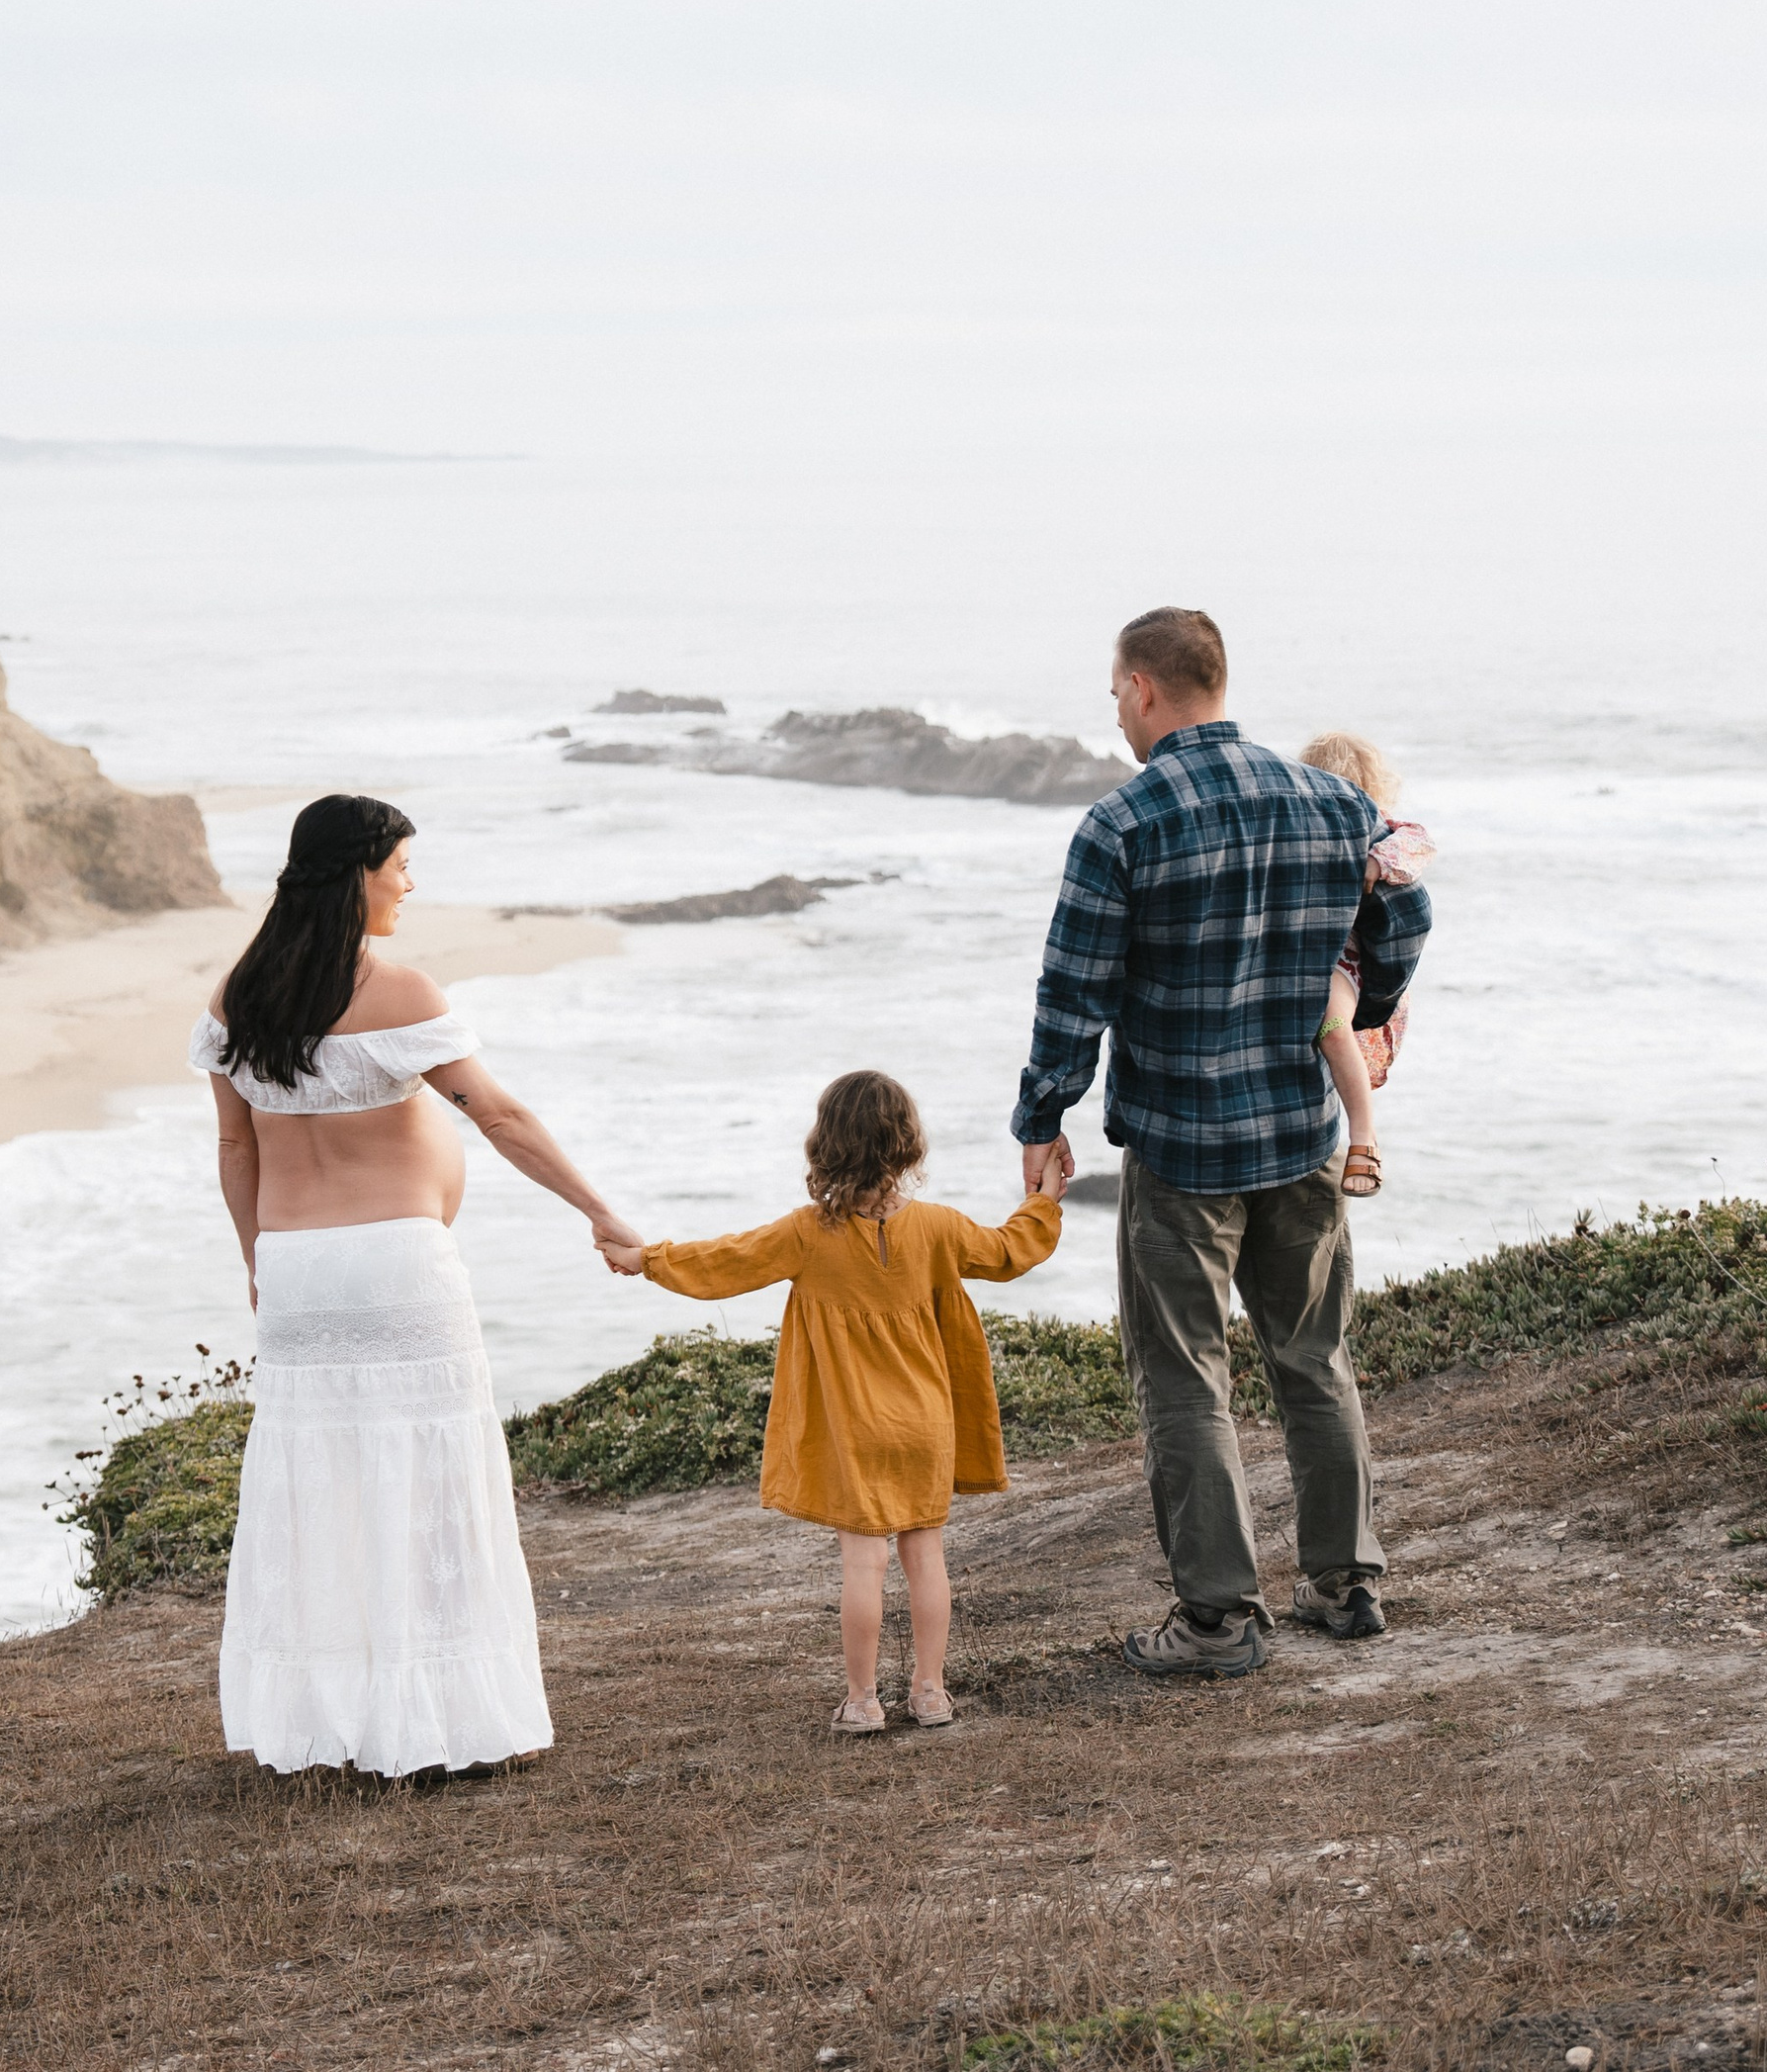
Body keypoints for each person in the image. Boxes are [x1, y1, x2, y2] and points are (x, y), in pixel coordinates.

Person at [1011, 608, 1432, 1678]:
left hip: (1184, 1150)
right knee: (1315, 1359)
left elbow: (1073, 990)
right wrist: (1361, 1000)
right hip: (1300, 1134)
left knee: (1186, 1379)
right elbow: (1405, 915)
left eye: (1114, 689)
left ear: (1147, 687)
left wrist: (1042, 1114)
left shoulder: (1123, 823)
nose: (1113, 708)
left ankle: (1217, 1618)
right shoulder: (1335, 803)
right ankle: (1347, 1584)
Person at [193, 791, 639, 1779]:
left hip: (299, 1266)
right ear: (357, 870)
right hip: (399, 1267)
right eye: (399, 864)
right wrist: (599, 1211)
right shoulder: (399, 990)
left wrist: (256, 1260)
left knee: (325, 1486)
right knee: (431, 1479)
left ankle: (333, 1716)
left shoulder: (236, 996)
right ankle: (440, 1721)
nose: (408, 881)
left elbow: (235, 1143)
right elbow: (503, 1116)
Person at [601, 1070, 1064, 1733]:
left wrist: (646, 1258)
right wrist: (1043, 1198)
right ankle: (931, 1693)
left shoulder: (805, 1234)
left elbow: (725, 1262)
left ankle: (863, 1700)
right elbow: (1011, 1249)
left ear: (825, 1146)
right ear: (908, 1147)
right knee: (926, 1559)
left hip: (855, 1430)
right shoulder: (938, 1228)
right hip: (926, 1424)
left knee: (863, 1566)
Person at [1298, 730, 1436, 1198]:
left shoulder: (1384, 830)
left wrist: (1376, 864)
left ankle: (1363, 1139)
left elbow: (1419, 843)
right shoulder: (1299, 826)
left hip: (1347, 959)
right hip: (1306, 954)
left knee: (1333, 1027)